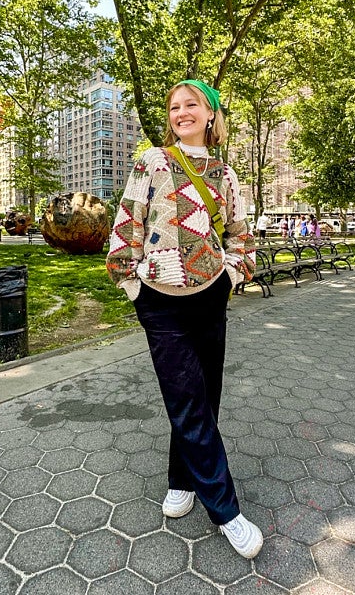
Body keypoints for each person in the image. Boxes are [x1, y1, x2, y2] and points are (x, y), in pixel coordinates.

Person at [106, 79, 262, 559]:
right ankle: (226, 510)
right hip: (160, 298)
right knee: (187, 398)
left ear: (211, 114)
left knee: (203, 396)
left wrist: (233, 275)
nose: (181, 112)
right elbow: (127, 224)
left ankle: (181, 479)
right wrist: (132, 284)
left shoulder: (225, 174)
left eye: (191, 104)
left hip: (210, 294)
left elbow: (240, 233)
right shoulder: (152, 162)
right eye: (174, 106)